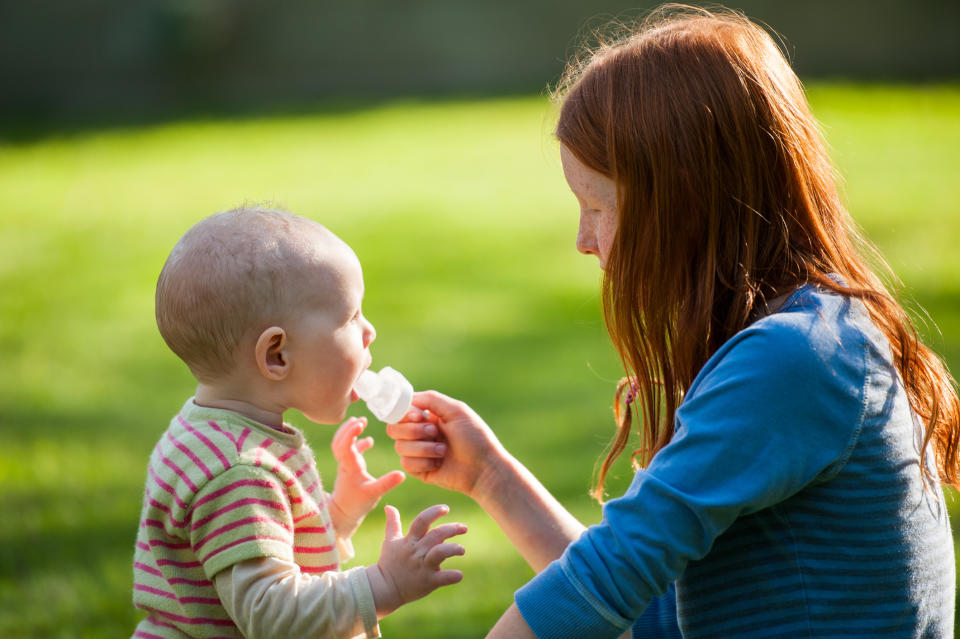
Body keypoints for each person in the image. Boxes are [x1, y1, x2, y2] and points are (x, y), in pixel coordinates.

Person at [388, 5, 959, 638]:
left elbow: (614, 576)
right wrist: (489, 476)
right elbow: (639, 602)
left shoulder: (797, 360)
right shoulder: (811, 338)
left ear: (681, 201)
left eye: (597, 207)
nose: (583, 239)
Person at [133, 207, 466, 639]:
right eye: (350, 317)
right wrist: (384, 585)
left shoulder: (209, 433)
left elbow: (261, 546)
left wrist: (337, 512)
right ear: (277, 355)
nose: (370, 332)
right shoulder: (238, 470)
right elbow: (273, 617)